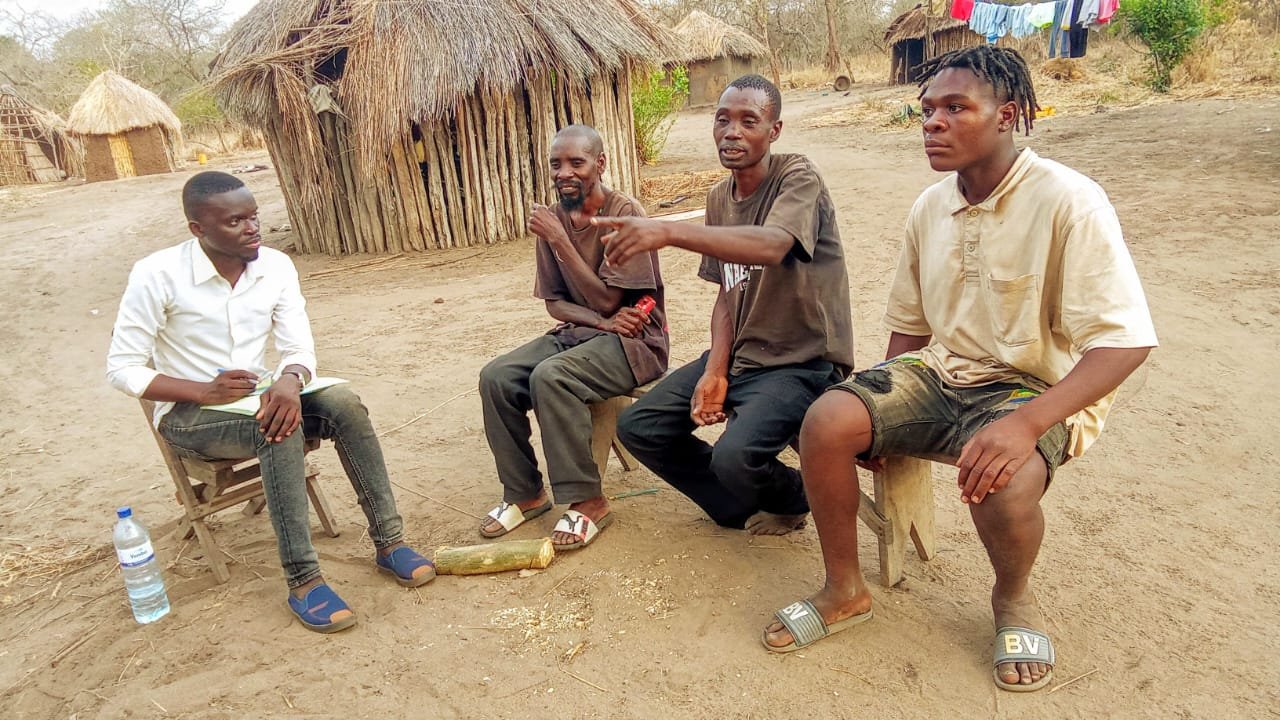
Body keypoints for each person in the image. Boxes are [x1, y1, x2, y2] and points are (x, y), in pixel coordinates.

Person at [759, 47, 1158, 693]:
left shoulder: (1069, 201)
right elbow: (911, 325)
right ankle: (844, 589)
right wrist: (879, 411)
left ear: (1008, 115)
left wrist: (1026, 424)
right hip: (941, 370)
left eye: (954, 108)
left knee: (1004, 477)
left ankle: (1013, 599)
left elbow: (1124, 342)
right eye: (926, 111)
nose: (933, 123)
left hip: (1034, 386)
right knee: (827, 419)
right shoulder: (930, 206)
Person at [107, 171, 435, 634]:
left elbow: (298, 346)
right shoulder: (157, 275)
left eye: (254, 216)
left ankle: (390, 542)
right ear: (198, 229)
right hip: (189, 415)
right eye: (235, 222)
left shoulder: (276, 266)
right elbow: (122, 369)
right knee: (277, 427)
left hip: (258, 395)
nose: (252, 228)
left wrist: (289, 379)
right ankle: (304, 581)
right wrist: (202, 391)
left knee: (344, 403)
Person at [600, 75, 854, 536]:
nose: (732, 132)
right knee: (640, 427)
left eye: (748, 121)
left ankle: (796, 496)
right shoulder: (719, 197)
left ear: (774, 130)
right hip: (743, 356)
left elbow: (773, 245)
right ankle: (736, 504)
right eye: (722, 120)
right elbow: (726, 293)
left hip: (802, 363)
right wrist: (716, 370)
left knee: (734, 454)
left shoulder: (798, 177)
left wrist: (668, 231)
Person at [477, 125, 668, 551]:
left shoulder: (623, 214)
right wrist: (600, 322)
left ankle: (588, 501)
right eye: (556, 164)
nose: (564, 172)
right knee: (496, 377)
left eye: (576, 163)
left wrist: (560, 239)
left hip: (637, 342)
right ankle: (524, 493)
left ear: (600, 164)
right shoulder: (554, 219)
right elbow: (556, 305)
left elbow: (609, 299)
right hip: (586, 332)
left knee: (552, 377)